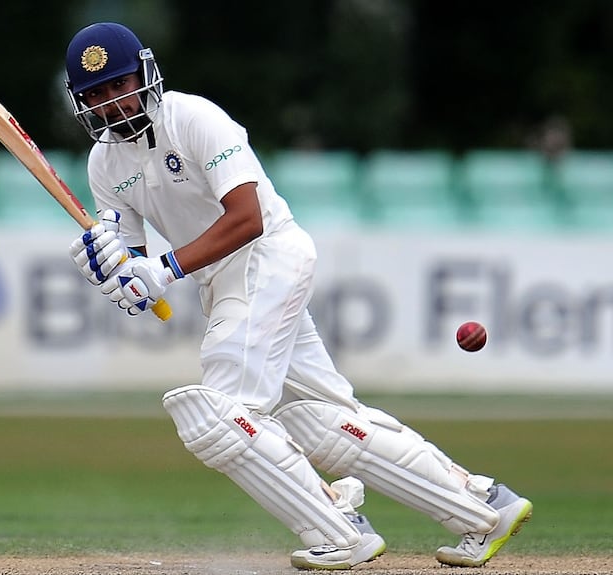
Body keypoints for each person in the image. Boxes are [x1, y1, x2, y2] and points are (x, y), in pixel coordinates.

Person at [64, 21, 532, 570]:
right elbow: (129, 255)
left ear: (144, 76)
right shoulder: (104, 164)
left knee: (218, 414)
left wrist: (163, 270)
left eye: (119, 85)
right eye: (97, 94)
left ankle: (337, 526)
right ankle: (482, 504)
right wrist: (113, 271)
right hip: (221, 282)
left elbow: (248, 218)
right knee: (321, 419)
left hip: (267, 257)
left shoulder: (194, 118)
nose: (112, 102)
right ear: (83, 103)